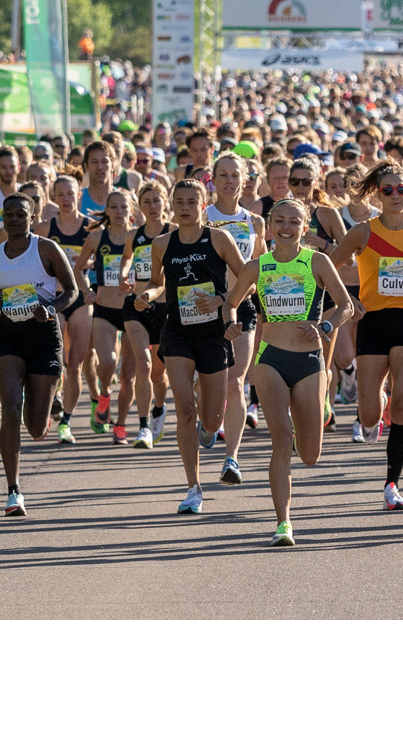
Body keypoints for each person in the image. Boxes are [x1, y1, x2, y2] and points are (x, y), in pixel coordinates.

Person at [139, 179, 254, 514]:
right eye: (179, 201)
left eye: (192, 201)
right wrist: (148, 295)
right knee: (185, 410)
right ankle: (193, 487)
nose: (184, 207)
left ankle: (209, 425)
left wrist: (221, 301)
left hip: (213, 335)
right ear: (172, 205)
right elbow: (157, 283)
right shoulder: (161, 244)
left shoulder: (218, 238)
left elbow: (246, 279)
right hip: (177, 332)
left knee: (211, 419)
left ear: (204, 204)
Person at [253, 198, 356, 545]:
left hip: (310, 362)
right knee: (280, 441)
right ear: (270, 226)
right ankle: (283, 523)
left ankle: (314, 405)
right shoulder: (258, 266)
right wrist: (230, 325)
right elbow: (232, 304)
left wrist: (326, 327)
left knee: (310, 455)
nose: (285, 227)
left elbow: (346, 306)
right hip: (270, 360)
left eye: (293, 221)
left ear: (305, 227)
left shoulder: (318, 261)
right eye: (279, 220)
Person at [331, 162, 403, 510]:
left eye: (402, 189)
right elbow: (327, 266)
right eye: (387, 190)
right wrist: (349, 300)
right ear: (377, 193)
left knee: (402, 405)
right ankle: (376, 407)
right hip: (372, 322)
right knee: (370, 415)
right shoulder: (362, 232)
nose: (396, 196)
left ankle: (392, 485)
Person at [0, 193, 75, 516]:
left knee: (35, 428)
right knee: (9, 407)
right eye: (9, 214)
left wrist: (50, 308)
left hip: (44, 336)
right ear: (2, 218)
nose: (15, 219)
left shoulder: (45, 249)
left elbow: (71, 291)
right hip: (9, 338)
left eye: (22, 214)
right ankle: (13, 490)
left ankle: (49, 396)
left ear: (32, 218)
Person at [201, 153, 265, 483]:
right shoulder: (202, 216)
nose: (229, 180)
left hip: (243, 307)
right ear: (212, 180)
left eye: (234, 175)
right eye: (222, 174)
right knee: (212, 378)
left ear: (244, 180)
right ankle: (208, 418)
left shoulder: (255, 222)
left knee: (236, 378)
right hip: (205, 308)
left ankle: (232, 458)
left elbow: (261, 266)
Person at [73, 187, 139, 444]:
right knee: (108, 362)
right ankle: (103, 394)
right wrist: (87, 291)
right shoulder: (97, 238)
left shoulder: (138, 237)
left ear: (131, 210)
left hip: (133, 311)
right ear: (107, 211)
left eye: (124, 207)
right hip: (104, 310)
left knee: (129, 376)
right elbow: (78, 269)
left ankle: (120, 426)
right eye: (114, 207)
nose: (119, 212)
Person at [45, 176, 99, 443]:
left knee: (76, 364)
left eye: (71, 194)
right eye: (61, 194)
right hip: (54, 298)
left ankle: (66, 421)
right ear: (54, 196)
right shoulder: (47, 227)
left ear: (79, 195)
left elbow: (105, 259)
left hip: (79, 297)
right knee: (56, 362)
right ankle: (50, 401)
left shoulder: (91, 228)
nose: (66, 199)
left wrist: (87, 269)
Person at [123, 180, 173, 448]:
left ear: (165, 202)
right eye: (146, 202)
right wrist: (122, 276)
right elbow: (126, 260)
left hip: (165, 307)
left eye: (156, 200)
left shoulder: (174, 232)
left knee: (158, 374)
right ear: (139, 206)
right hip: (137, 306)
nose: (152, 206)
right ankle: (143, 428)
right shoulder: (135, 235)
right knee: (143, 365)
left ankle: (159, 408)